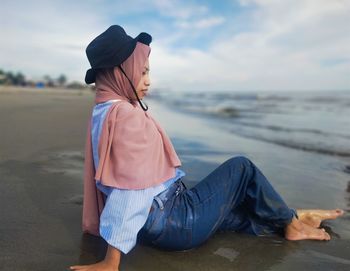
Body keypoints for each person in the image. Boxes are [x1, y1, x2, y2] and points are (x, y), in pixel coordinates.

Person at [70, 25, 344, 271]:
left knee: (238, 214)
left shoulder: (105, 110)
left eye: (148, 72)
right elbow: (129, 191)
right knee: (242, 168)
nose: (148, 81)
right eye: (141, 72)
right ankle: (293, 224)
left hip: (151, 225)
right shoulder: (127, 117)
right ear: (120, 73)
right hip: (175, 222)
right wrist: (111, 261)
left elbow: (117, 182)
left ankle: (292, 217)